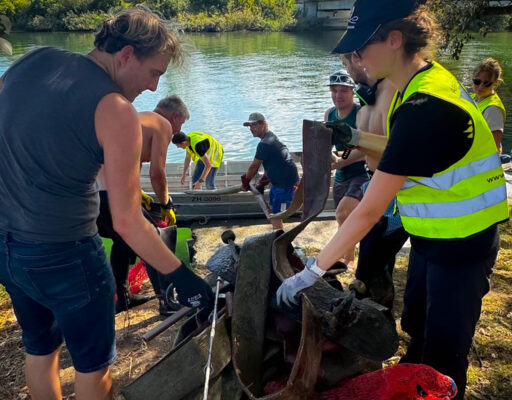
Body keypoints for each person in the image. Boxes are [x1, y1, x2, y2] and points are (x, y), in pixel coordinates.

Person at [277, 1, 509, 399]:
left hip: (464, 243)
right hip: (434, 236)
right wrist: (353, 137)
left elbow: (368, 210)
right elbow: (403, 147)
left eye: (361, 46)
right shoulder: (421, 82)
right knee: (417, 322)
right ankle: (413, 378)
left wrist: (312, 271)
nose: (356, 57)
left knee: (444, 351)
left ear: (394, 40)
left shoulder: (424, 107)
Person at [0, 8, 213, 400]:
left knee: (41, 348)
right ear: (127, 54)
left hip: (8, 247)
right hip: (67, 253)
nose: (152, 89)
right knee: (91, 365)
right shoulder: (117, 111)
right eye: (154, 73)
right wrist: (183, 278)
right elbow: (127, 220)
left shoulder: (34, 60)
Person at [340, 53, 409, 308]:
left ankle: (378, 311)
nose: (347, 69)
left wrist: (356, 138)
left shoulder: (391, 90)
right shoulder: (364, 101)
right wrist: (341, 159)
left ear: (360, 60)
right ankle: (376, 306)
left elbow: (398, 148)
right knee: (375, 260)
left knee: (370, 262)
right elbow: (363, 146)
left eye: (347, 63)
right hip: (373, 182)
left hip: (393, 190)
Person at [96, 106, 180, 315]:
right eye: (180, 125)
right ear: (174, 116)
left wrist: (139, 193)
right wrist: (166, 205)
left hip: (92, 198)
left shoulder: (134, 122)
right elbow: (157, 173)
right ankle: (166, 301)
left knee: (122, 243)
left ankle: (123, 300)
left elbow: (130, 165)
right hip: (115, 196)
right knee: (154, 240)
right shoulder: (163, 124)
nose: (177, 132)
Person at [324, 70, 367, 266]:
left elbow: (361, 149)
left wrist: (342, 159)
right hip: (341, 175)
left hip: (361, 173)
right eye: (334, 91)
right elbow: (328, 145)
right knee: (342, 218)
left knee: (343, 214)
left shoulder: (360, 114)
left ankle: (348, 259)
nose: (337, 96)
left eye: (343, 91)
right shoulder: (329, 114)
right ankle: (345, 256)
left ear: (352, 93)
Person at [241, 112, 299, 230]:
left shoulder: (264, 144)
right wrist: (263, 180)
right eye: (250, 126)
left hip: (285, 186)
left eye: (254, 125)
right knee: (273, 211)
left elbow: (254, 167)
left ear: (263, 124)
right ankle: (277, 234)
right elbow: (272, 161)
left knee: (276, 215)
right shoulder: (271, 137)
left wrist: (246, 181)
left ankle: (279, 239)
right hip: (279, 182)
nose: (251, 129)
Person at [471, 57, 506, 152]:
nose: (480, 87)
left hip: (480, 161)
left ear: (495, 83)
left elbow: (494, 147)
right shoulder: (473, 97)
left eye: (487, 84)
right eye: (477, 82)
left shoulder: (493, 109)